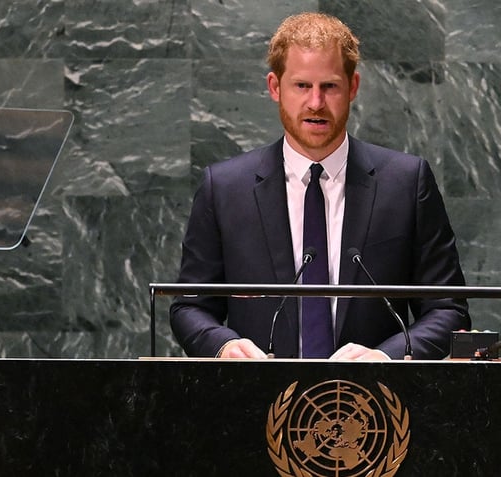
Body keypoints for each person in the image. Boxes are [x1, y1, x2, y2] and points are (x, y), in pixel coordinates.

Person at [169, 12, 470, 360]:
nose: (315, 102)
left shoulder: (405, 183)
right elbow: (189, 307)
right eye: (301, 86)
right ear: (274, 87)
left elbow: (449, 310)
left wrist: (386, 357)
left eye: (329, 86)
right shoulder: (223, 189)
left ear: (352, 87)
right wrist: (222, 346)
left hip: (375, 404)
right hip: (255, 400)